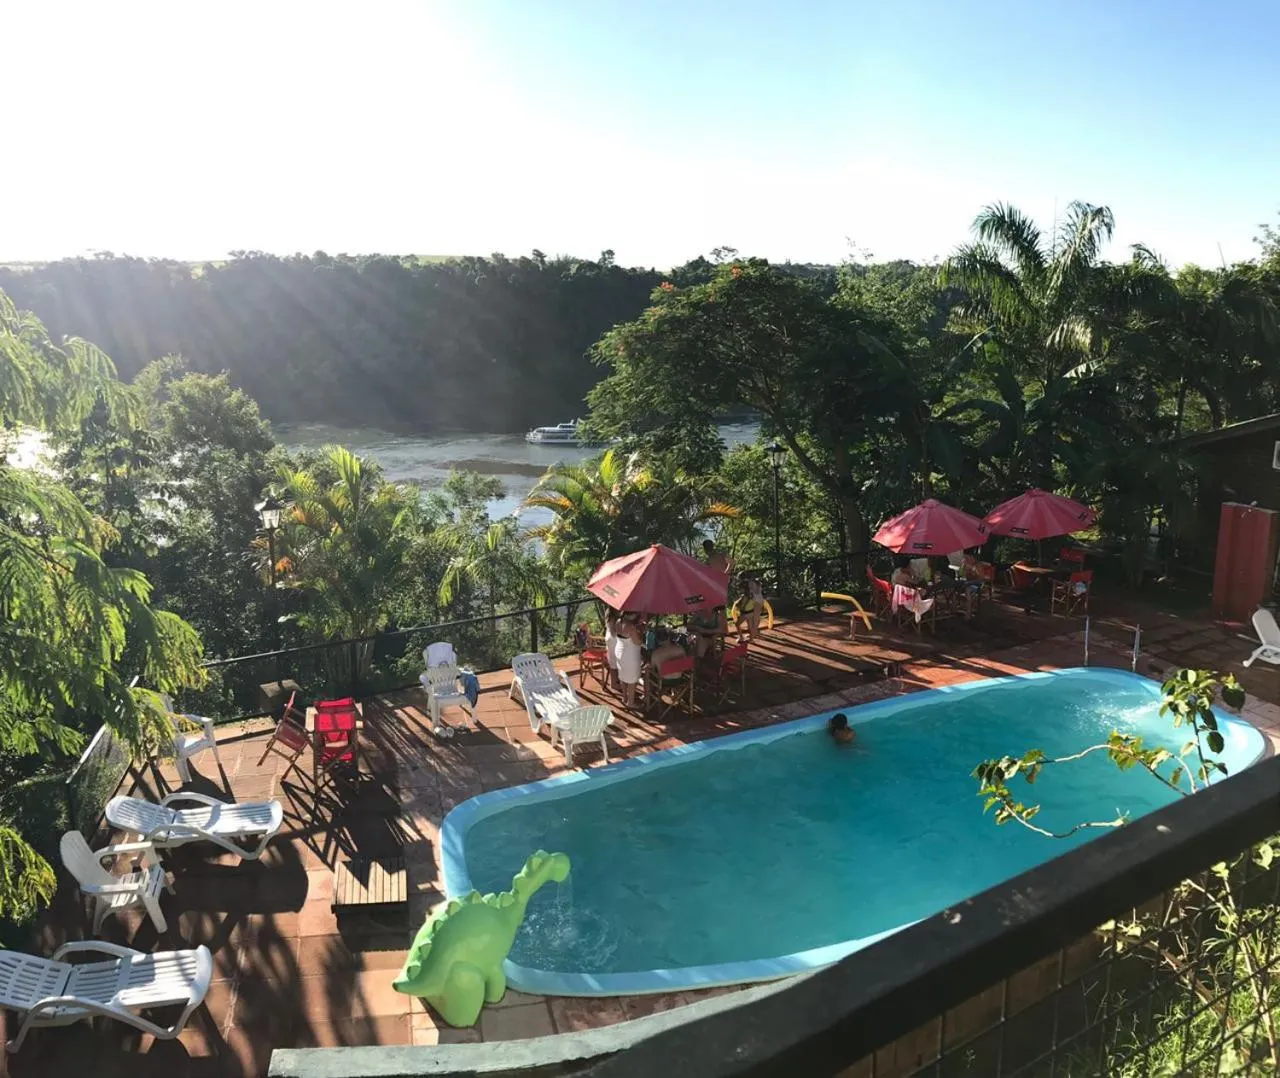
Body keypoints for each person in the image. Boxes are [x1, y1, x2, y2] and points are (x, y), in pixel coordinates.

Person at [613, 613, 644, 709]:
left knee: (622, 675)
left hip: (619, 651)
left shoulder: (618, 621)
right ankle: (630, 703)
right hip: (629, 655)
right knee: (632, 680)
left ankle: (625, 697)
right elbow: (637, 642)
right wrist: (641, 633)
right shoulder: (631, 627)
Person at [735, 574, 764, 641]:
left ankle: (751, 637)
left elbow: (750, 594)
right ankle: (752, 635)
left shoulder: (750, 583)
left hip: (756, 601)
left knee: (755, 621)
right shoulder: (756, 582)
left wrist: (741, 602)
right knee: (752, 621)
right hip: (758, 600)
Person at [603, 609, 621, 692]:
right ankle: (614, 684)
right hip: (612, 639)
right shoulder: (612, 617)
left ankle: (617, 681)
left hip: (610, 638)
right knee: (614, 662)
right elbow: (613, 632)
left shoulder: (609, 612)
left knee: (614, 661)